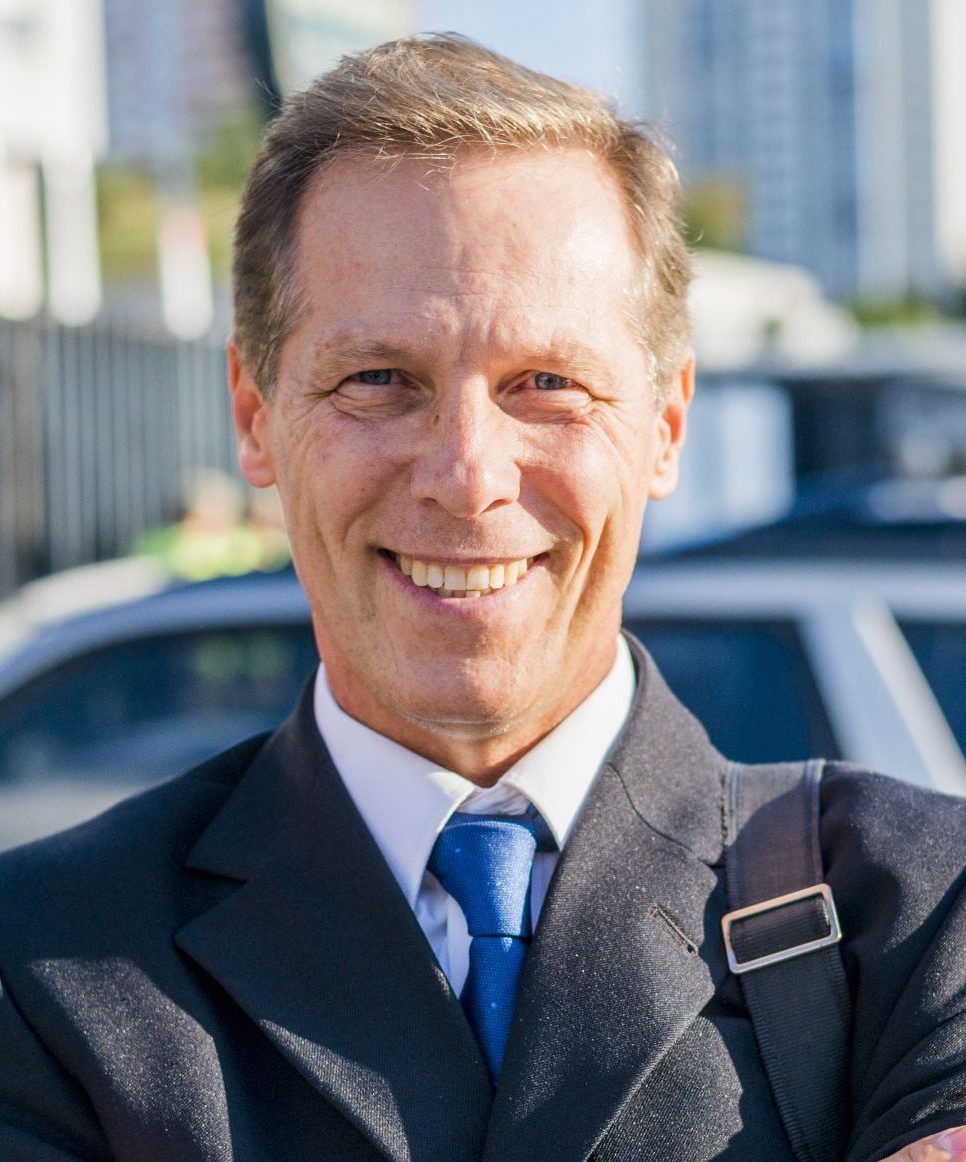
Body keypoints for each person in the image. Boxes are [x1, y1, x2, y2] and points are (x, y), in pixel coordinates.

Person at [0, 35, 965, 1162]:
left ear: (665, 423)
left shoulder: (925, 910)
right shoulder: (42, 965)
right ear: (256, 414)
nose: (466, 475)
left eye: (546, 383)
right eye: (378, 379)